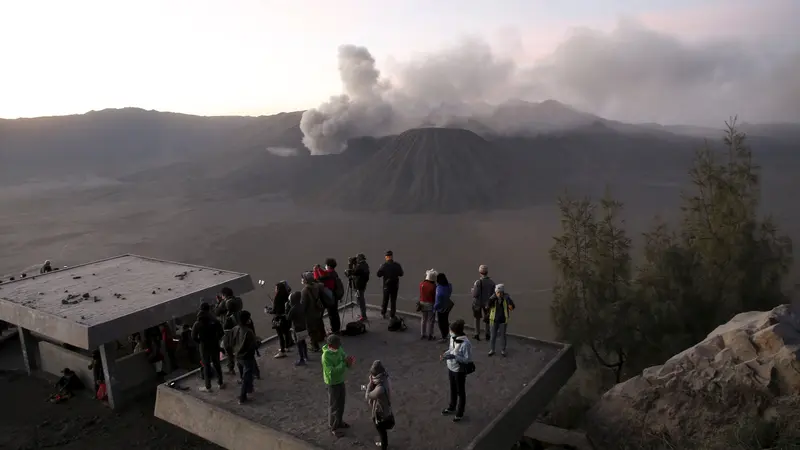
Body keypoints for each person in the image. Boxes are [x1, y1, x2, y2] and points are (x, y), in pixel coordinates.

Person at [322, 334, 355, 438]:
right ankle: (333, 427)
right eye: (337, 345)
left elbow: (344, 358)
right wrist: (344, 364)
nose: (339, 346)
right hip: (332, 383)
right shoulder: (326, 356)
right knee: (334, 406)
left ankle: (339, 422)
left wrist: (349, 362)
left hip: (340, 381)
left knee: (341, 403)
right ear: (331, 345)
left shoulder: (339, 349)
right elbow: (332, 372)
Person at [440, 319, 472, 422]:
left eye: (451, 330)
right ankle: (452, 406)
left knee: (460, 391)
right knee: (452, 388)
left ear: (456, 331)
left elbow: (467, 359)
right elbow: (451, 349)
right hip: (450, 367)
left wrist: (455, 357)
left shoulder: (465, 343)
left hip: (459, 370)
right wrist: (445, 354)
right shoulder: (453, 338)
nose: (450, 332)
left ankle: (460, 412)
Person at [192, 302, 225, 392]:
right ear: (209, 309)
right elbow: (221, 333)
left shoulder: (197, 323)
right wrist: (216, 339)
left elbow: (193, 336)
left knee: (206, 365)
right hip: (214, 344)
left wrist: (200, 342)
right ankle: (220, 383)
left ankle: (208, 386)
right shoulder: (214, 320)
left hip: (204, 346)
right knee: (217, 364)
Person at [229, 310, 258, 404]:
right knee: (247, 377)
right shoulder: (248, 332)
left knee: (244, 375)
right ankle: (242, 397)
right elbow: (253, 345)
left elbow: (231, 342)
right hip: (247, 357)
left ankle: (249, 389)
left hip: (238, 356)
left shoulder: (235, 329)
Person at [365, 360, 394, 450]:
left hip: (380, 413)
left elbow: (368, 396)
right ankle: (384, 444)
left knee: (381, 431)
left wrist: (370, 383)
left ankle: (383, 446)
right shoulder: (386, 378)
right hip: (387, 409)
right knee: (383, 432)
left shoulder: (380, 389)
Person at [314, 258, 343, 335]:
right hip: (335, 296)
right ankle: (337, 329)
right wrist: (319, 269)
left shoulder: (328, 274)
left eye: (326, 265)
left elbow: (318, 279)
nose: (325, 266)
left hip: (330, 297)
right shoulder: (333, 273)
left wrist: (315, 270)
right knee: (335, 313)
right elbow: (324, 273)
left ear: (328, 266)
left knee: (332, 314)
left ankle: (334, 330)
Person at [301, 272, 326, 352]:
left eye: (303, 278)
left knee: (311, 330)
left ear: (305, 280)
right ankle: (321, 337)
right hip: (318, 309)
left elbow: (304, 304)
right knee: (319, 323)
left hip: (310, 312)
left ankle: (314, 346)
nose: (301, 280)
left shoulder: (305, 290)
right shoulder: (316, 286)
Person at [488, 284, 515, 357]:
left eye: (500, 292)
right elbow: (487, 306)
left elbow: (512, 308)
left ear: (503, 292)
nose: (499, 294)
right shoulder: (493, 298)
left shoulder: (506, 298)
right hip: (493, 320)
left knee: (502, 336)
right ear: (495, 292)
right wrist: (491, 299)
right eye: (498, 292)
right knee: (493, 336)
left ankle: (503, 350)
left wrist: (508, 301)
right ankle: (492, 350)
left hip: (503, 320)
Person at [470, 265, 496, 341]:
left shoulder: (478, 282)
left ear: (480, 272)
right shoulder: (492, 283)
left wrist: (472, 290)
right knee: (487, 318)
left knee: (477, 318)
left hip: (478, 303)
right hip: (487, 303)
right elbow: (493, 294)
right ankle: (487, 333)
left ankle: (477, 334)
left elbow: (475, 294)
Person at [268, 281, 293, 359]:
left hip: (279, 319)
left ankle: (282, 351)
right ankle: (287, 347)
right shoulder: (287, 296)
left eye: (276, 288)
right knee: (286, 333)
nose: (275, 289)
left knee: (280, 335)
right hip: (286, 318)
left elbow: (274, 311)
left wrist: (268, 310)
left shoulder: (277, 298)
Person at [376, 250, 404, 319]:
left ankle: (383, 313)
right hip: (395, 286)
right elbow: (401, 274)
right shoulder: (397, 265)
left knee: (385, 300)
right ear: (391, 256)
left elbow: (378, 275)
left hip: (386, 286)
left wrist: (380, 268)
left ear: (386, 257)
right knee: (393, 301)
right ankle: (392, 315)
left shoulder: (384, 266)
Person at [286, 290, 309, 366]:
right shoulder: (301, 305)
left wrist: (287, 308)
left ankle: (301, 359)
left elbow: (288, 318)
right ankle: (306, 356)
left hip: (297, 328)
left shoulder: (293, 308)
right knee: (304, 342)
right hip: (304, 326)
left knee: (299, 344)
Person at [349, 254, 370, 321]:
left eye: (357, 258)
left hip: (359, 286)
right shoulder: (365, 265)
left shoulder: (360, 266)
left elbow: (352, 272)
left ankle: (364, 316)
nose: (356, 259)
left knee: (361, 301)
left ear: (360, 259)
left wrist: (350, 264)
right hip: (362, 285)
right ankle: (362, 314)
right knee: (359, 300)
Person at [434, 273, 454, 342]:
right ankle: (446, 334)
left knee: (441, 322)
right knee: (445, 320)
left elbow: (438, 301)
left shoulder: (439, 289)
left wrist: (434, 308)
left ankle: (443, 336)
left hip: (441, 308)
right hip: (447, 306)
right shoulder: (449, 286)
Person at [419, 269, 437, 340]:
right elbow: (434, 296)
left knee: (423, 319)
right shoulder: (433, 286)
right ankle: (430, 334)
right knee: (431, 320)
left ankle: (423, 333)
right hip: (430, 303)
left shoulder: (422, 284)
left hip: (422, 303)